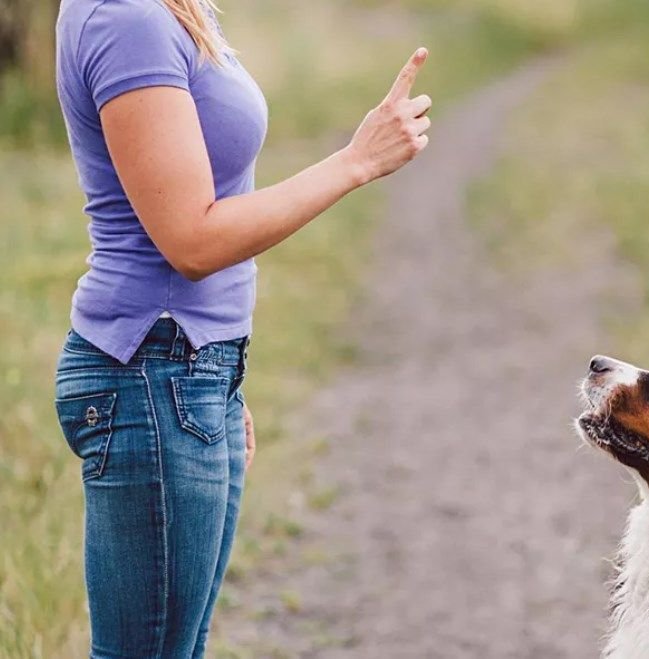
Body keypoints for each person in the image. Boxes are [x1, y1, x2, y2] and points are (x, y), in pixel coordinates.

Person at [54, 0, 432, 654]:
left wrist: (220, 375)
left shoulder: (172, 9)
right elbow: (191, 240)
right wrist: (354, 162)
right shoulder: (126, 17)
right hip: (153, 371)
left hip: (188, 371)